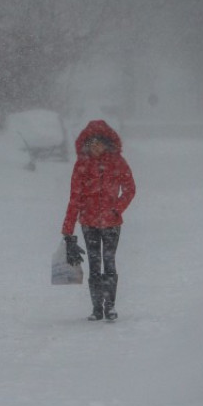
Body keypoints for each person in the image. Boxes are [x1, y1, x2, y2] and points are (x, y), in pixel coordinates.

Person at [62, 119, 136, 321]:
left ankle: (110, 306)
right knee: (95, 264)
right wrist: (67, 231)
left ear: (106, 143)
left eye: (99, 142)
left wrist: (116, 209)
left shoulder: (118, 162)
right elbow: (74, 198)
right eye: (91, 143)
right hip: (89, 223)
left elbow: (130, 189)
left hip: (112, 223)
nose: (95, 147)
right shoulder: (81, 165)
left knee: (109, 262)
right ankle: (97, 308)